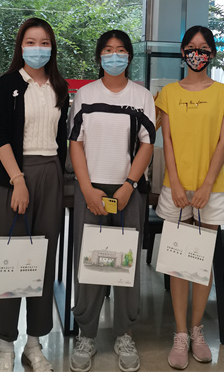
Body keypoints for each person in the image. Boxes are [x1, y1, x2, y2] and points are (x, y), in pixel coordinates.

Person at [68, 30, 156, 372]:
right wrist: (87, 188)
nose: (114, 55)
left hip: (127, 192)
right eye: (108, 50)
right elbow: (75, 142)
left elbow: (147, 144)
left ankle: (124, 333)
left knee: (124, 264)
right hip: (90, 190)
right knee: (89, 261)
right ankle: (86, 333)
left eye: (120, 50)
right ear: (99, 56)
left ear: (129, 57)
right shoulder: (85, 94)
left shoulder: (141, 97)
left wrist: (129, 185)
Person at [154, 25, 224, 370]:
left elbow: (223, 142)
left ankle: (197, 330)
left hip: (211, 190)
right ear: (182, 52)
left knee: (201, 263)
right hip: (175, 188)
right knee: (178, 263)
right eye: (191, 47)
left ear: (212, 54)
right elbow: (167, 140)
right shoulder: (168, 94)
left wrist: (205, 185)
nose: (197, 53)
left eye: (203, 48)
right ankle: (179, 334)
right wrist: (175, 182)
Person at [0, 17, 69, 372]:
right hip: (16, 178)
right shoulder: (8, 84)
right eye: (31, 42)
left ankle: (34, 344)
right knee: (11, 260)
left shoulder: (59, 87)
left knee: (43, 262)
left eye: (44, 42)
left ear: (52, 47)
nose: (38, 48)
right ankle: (6, 345)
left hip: (51, 174)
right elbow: (0, 135)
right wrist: (17, 180)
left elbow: (62, 137)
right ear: (21, 46)